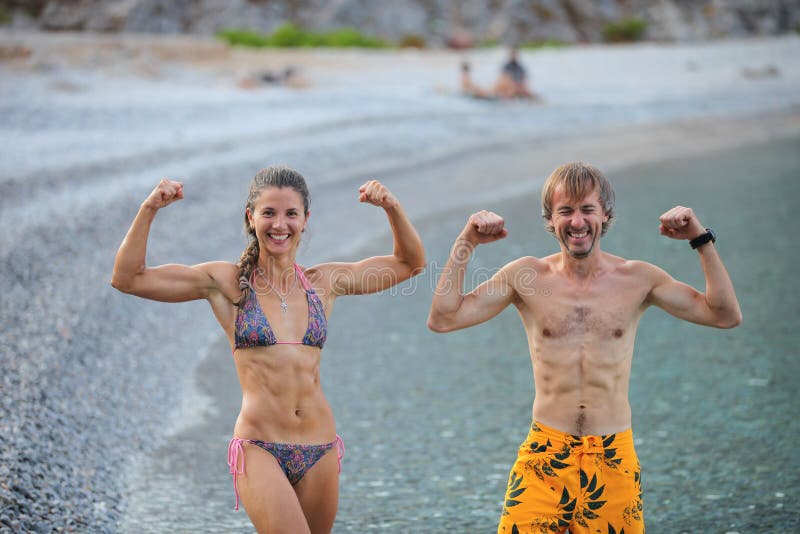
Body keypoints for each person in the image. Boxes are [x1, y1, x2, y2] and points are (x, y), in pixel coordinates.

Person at [427, 162, 741, 533]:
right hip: (544, 455)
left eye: (587, 209)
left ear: (604, 214)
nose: (577, 221)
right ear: (550, 219)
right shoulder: (525, 277)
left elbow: (723, 314)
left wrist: (700, 240)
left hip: (613, 458)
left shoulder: (638, 279)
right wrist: (467, 242)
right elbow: (444, 318)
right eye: (566, 211)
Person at [111, 167, 426, 533]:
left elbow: (410, 263)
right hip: (259, 447)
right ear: (251, 217)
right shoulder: (226, 283)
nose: (280, 224)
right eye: (269, 213)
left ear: (306, 220)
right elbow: (128, 278)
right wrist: (149, 208)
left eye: (291, 213)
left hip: (320, 447)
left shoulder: (325, 283)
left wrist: (392, 207)